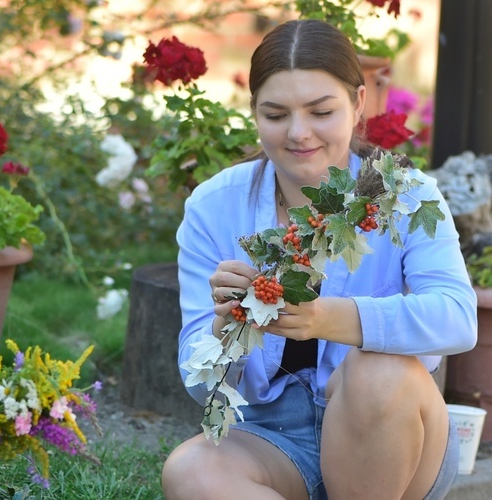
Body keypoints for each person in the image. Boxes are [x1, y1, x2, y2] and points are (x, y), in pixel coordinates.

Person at [161, 19, 477, 500]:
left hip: (393, 431)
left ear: (357, 103)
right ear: (254, 113)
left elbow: (458, 318)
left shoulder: (405, 195)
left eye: (320, 110)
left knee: (378, 369)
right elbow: (199, 383)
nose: (298, 132)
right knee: (191, 472)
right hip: (272, 437)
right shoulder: (215, 206)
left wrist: (331, 319)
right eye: (275, 114)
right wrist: (225, 333)